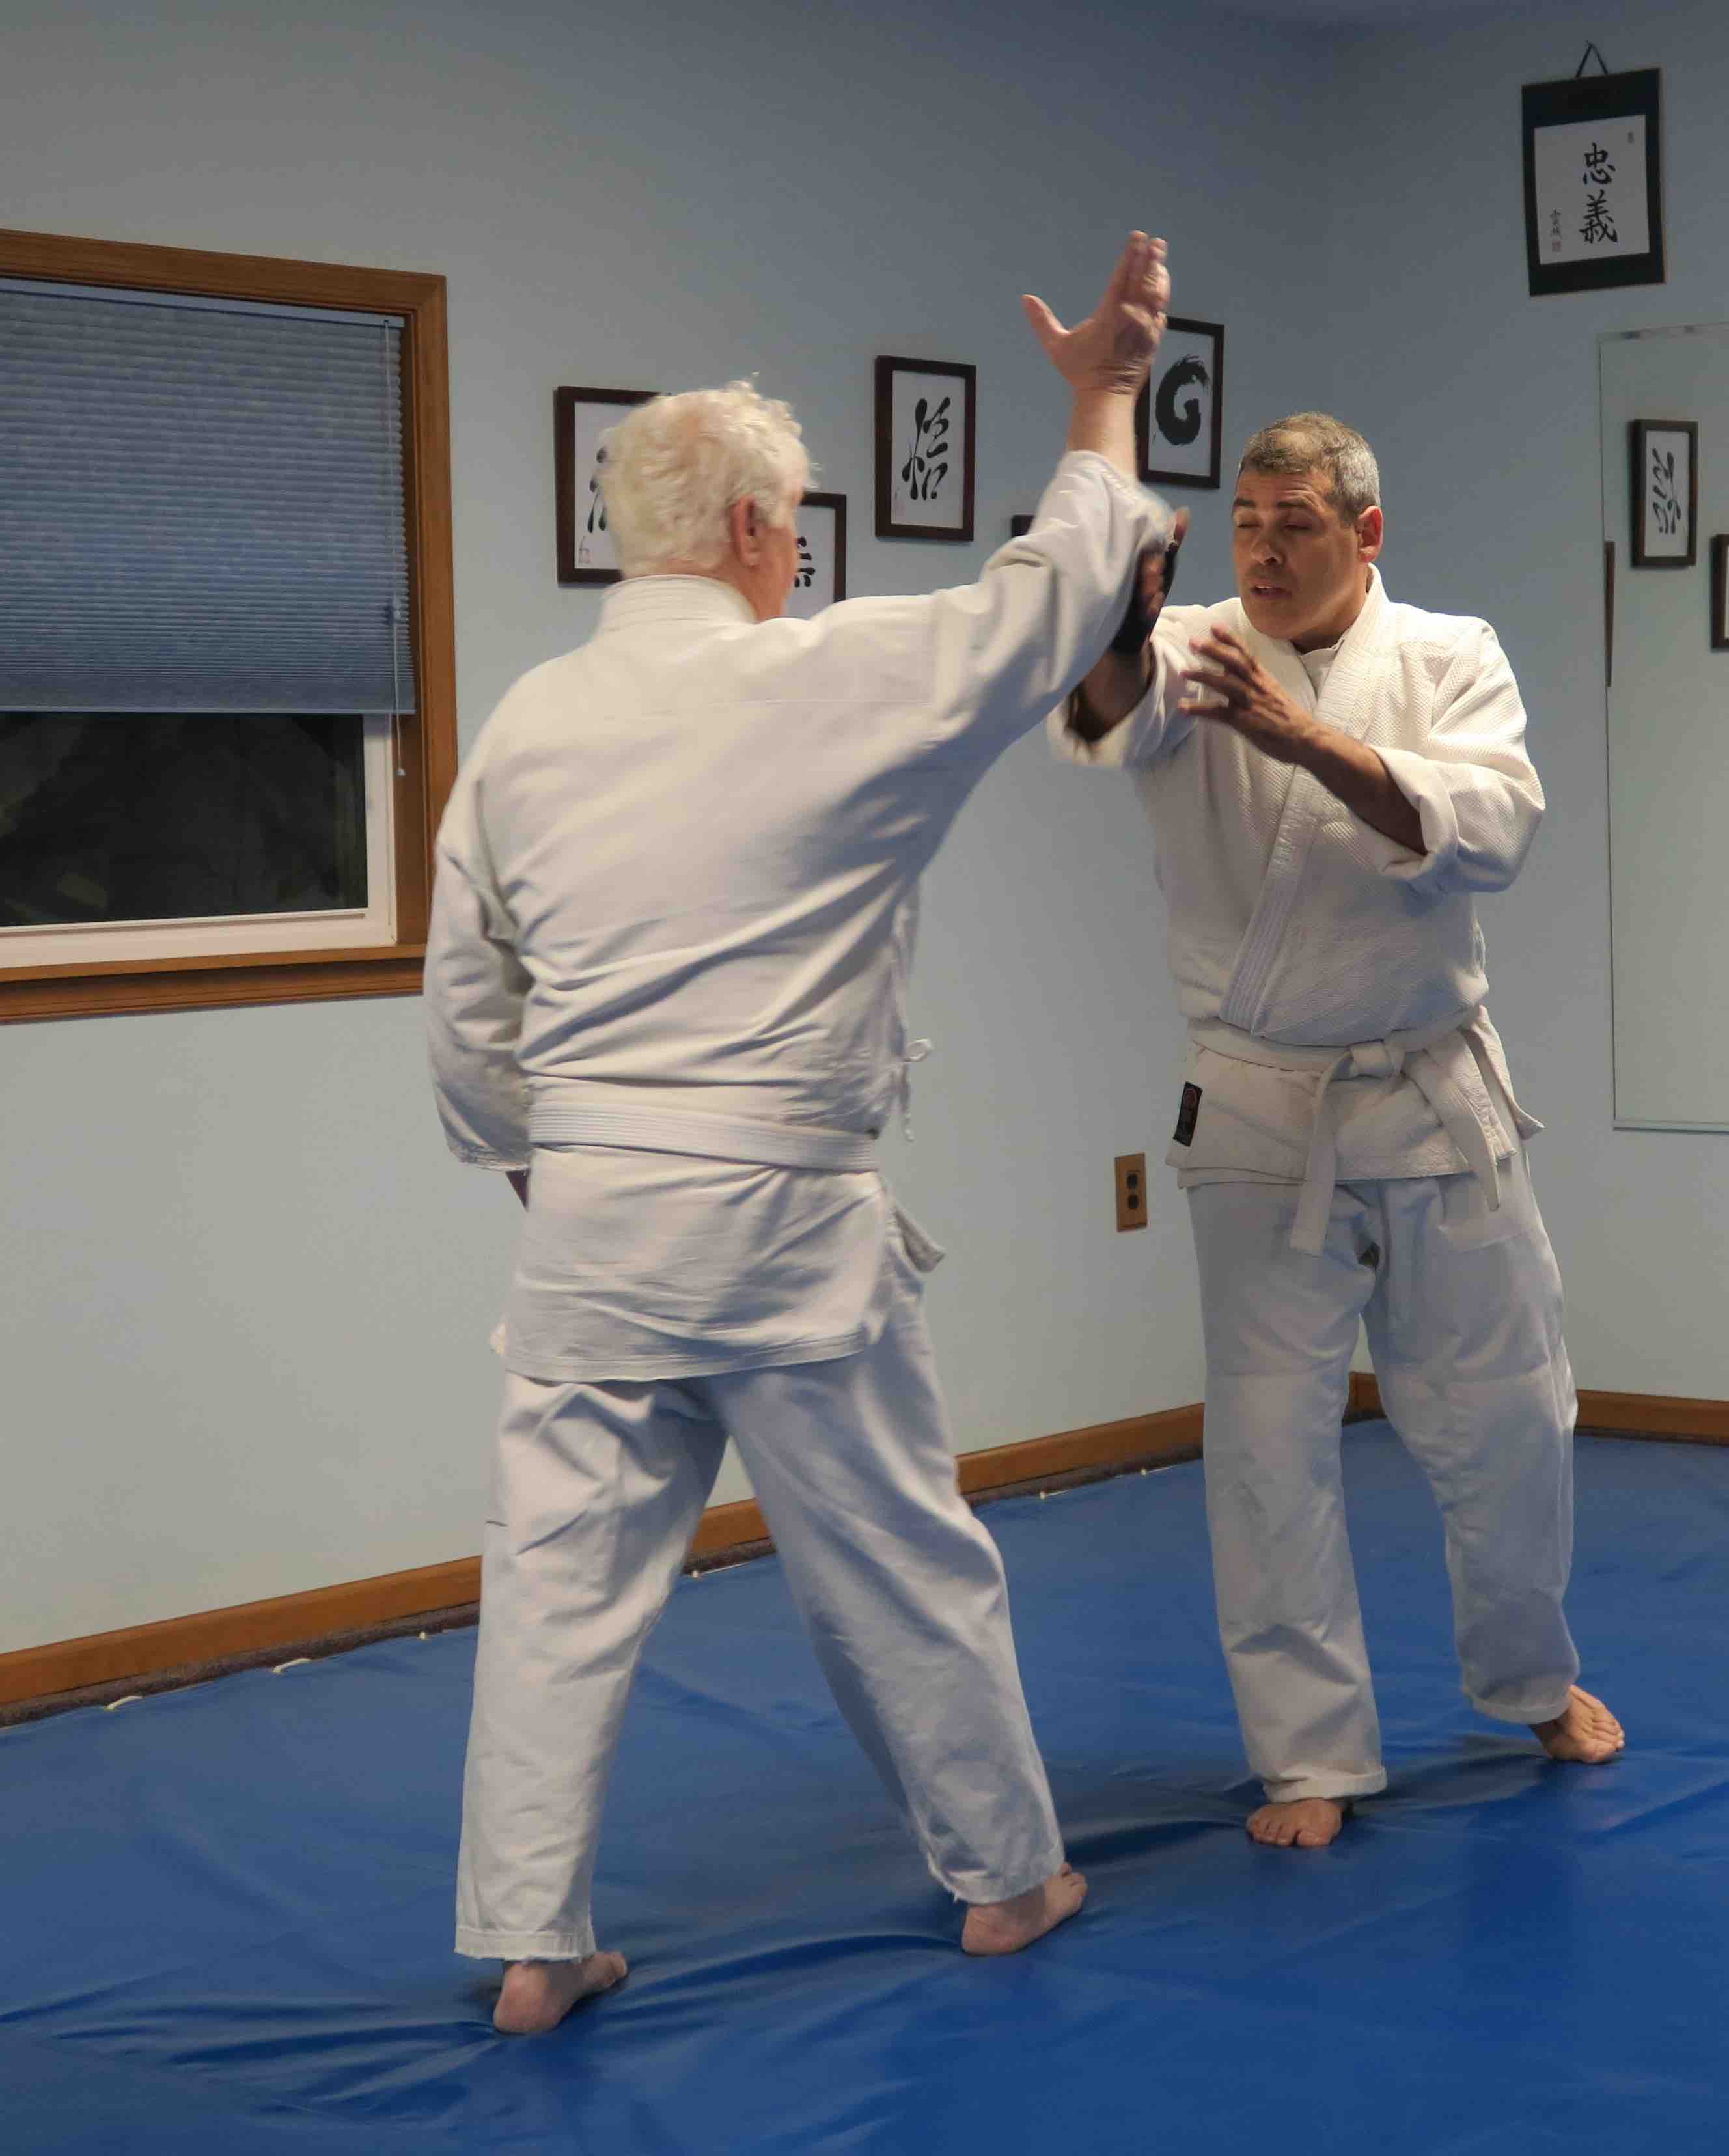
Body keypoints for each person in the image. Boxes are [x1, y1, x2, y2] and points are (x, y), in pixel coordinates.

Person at [424, 233, 1176, 2032]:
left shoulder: (529, 721)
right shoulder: (825, 678)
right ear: (758, 534)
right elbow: (1053, 595)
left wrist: (556, 1162)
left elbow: (466, 1011)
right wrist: (1100, 394)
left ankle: (532, 1945)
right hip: (777, 1215)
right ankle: (1008, 1882)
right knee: (895, 1563)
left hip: (592, 1215)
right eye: (798, 527)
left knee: (553, 1590)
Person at [1050, 411, 1622, 1853]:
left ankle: (1530, 1676)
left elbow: (1492, 833)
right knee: (1264, 1448)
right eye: (1247, 519)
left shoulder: (1450, 654)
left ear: (1364, 533)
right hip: (1255, 1099)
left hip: (1432, 1092)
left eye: (1296, 522)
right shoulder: (1193, 649)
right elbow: (1100, 712)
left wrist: (1301, 736)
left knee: (1509, 1420)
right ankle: (1308, 1754)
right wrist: (1116, 619)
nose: (1264, 545)